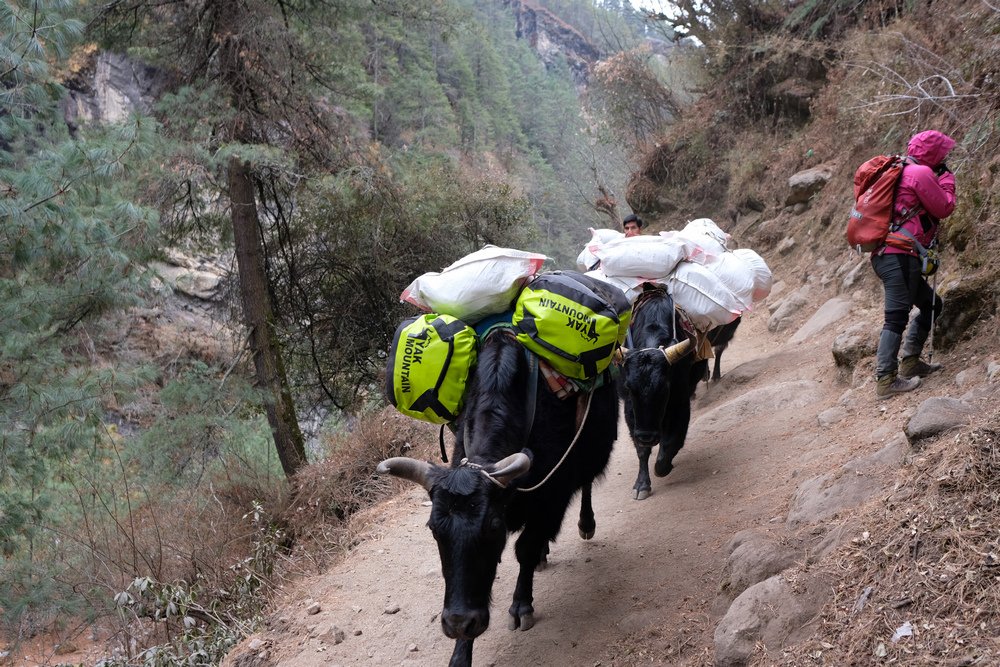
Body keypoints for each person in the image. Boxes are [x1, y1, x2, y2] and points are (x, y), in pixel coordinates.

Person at [871, 129, 957, 399]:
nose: (945, 156)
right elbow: (944, 207)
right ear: (933, 153)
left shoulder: (899, 169)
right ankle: (885, 380)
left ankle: (910, 362)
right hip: (899, 254)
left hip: (889, 253)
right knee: (896, 317)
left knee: (932, 304)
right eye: (942, 152)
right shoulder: (920, 174)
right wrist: (947, 180)